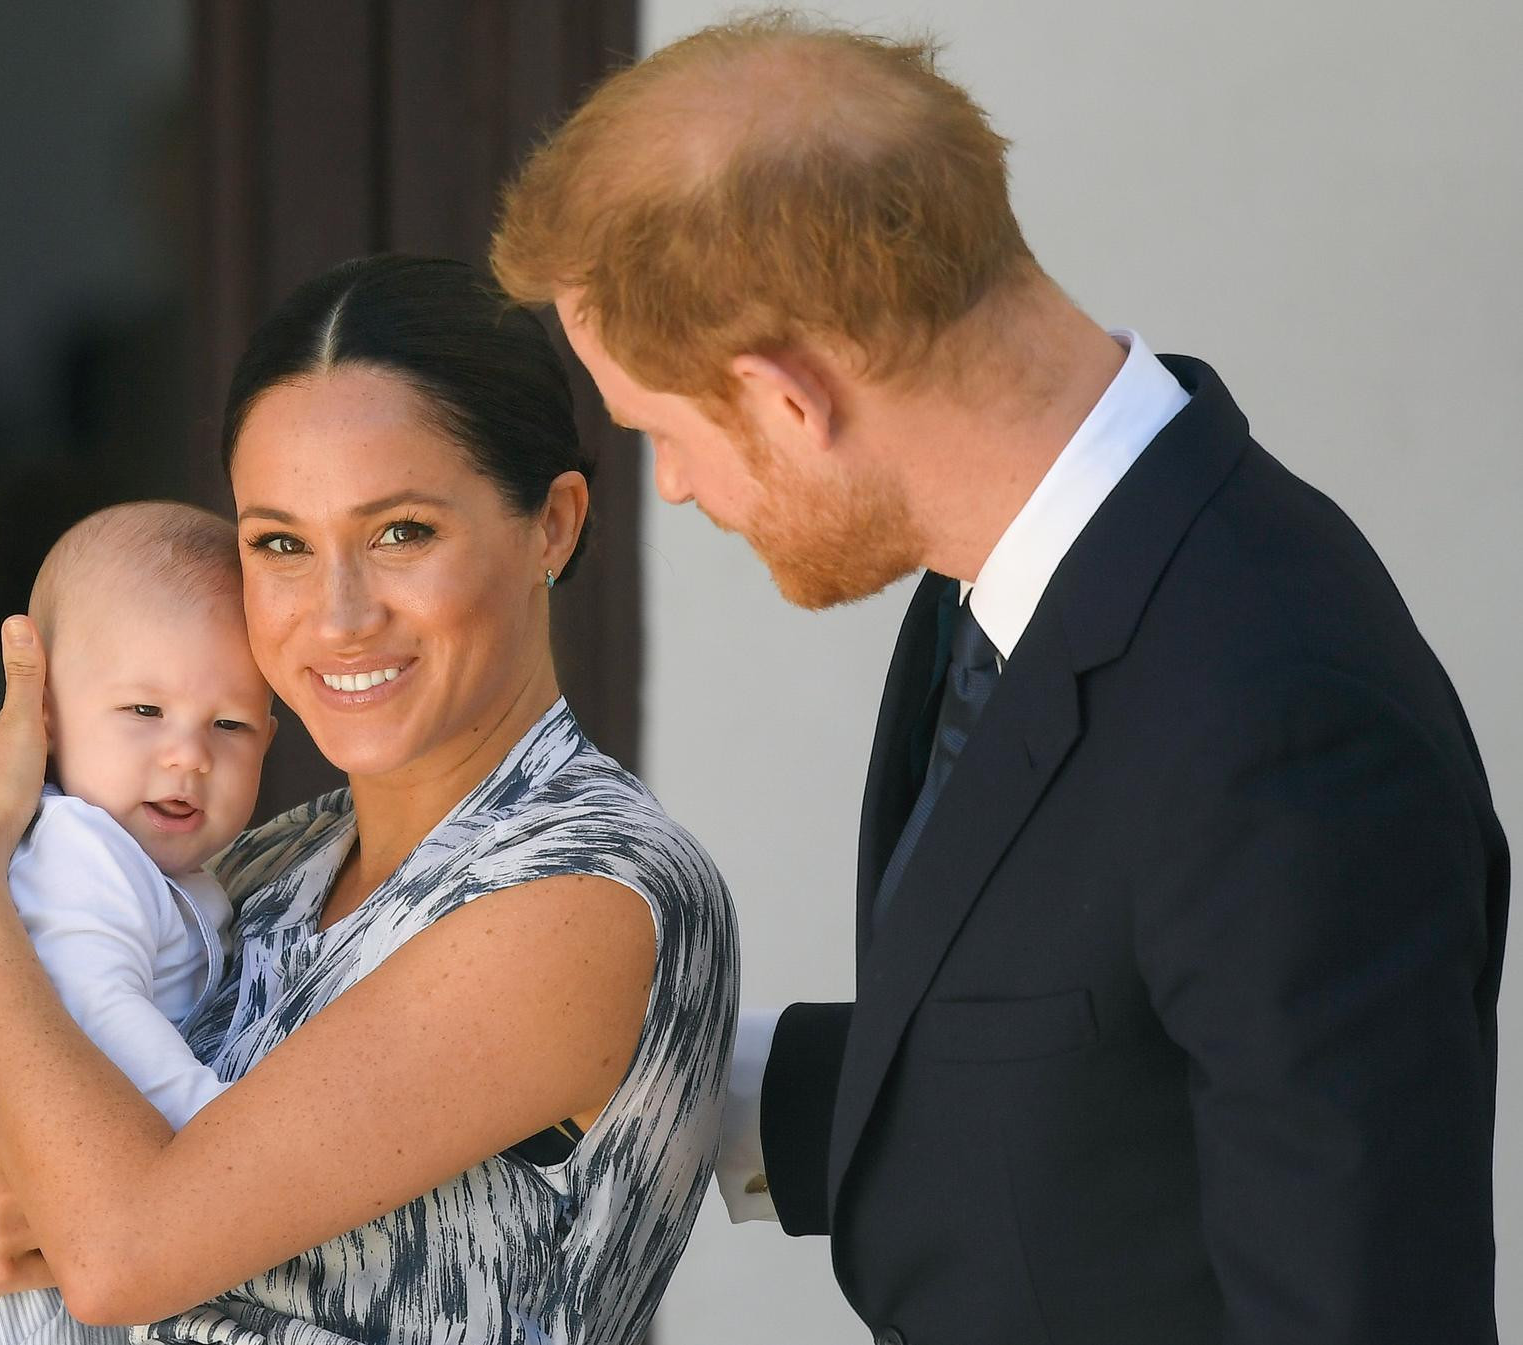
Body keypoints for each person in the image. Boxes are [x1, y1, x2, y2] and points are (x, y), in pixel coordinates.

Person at [491, 13, 1507, 1345]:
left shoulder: (1279, 712)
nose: (674, 486)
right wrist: (621, 1070)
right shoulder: (1009, 577)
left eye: (661, 435)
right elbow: (1071, 1066)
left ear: (788, 398)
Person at [0, 255, 740, 1345]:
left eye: (402, 531)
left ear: (553, 523)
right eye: (281, 544)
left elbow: (117, 1257)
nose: (339, 614)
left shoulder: (585, 890)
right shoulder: (249, 873)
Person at [0, 500, 274, 1344]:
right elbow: (99, 1014)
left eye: (228, 725)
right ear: (43, 720)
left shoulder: (178, 873)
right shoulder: (82, 851)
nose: (189, 754)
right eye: (144, 712)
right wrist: (223, 1141)